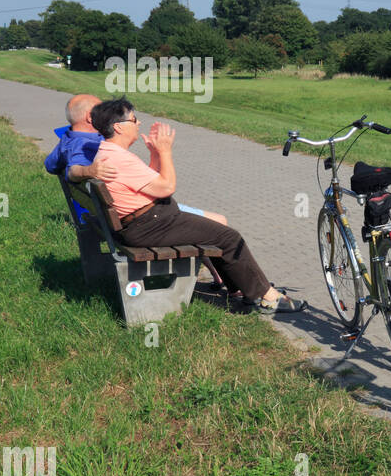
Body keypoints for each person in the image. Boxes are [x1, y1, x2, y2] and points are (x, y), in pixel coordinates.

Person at [90, 97, 304, 313]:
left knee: (217, 233)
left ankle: (244, 288)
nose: (139, 123)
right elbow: (166, 188)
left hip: (147, 222)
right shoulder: (121, 159)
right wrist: (165, 151)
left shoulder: (109, 153)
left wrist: (154, 153)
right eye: (134, 119)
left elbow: (150, 185)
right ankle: (268, 297)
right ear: (118, 127)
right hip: (150, 225)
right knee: (229, 238)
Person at [46, 94, 225, 223]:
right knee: (219, 222)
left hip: (121, 212)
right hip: (137, 217)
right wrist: (87, 170)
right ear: (90, 118)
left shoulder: (68, 139)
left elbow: (50, 165)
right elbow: (73, 171)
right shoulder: (89, 146)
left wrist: (153, 155)